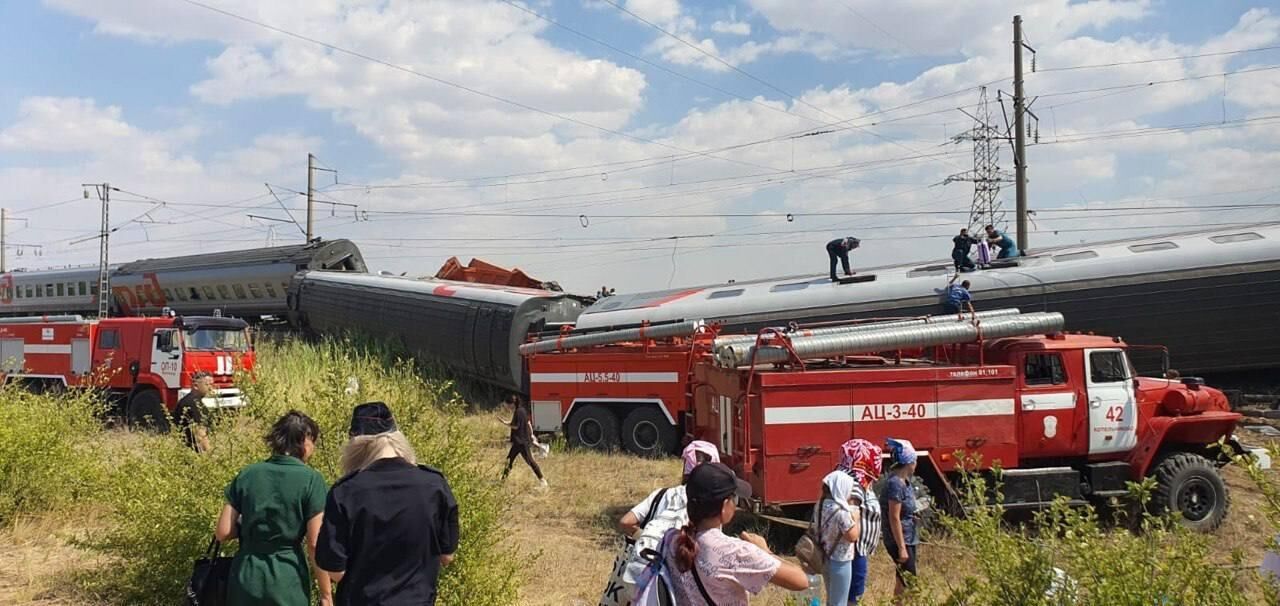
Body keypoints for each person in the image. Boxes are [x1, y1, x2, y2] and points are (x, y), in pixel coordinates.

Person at [317, 402, 459, 606]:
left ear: (355, 443)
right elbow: (447, 556)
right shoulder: (435, 485)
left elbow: (335, 570)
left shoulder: (345, 492)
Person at [216, 411, 331, 606]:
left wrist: (246, 528)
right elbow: (314, 543)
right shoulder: (312, 480)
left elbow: (223, 532)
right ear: (305, 440)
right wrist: (326, 593)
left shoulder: (248, 474)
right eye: (313, 442)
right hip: (287, 578)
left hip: (246, 575)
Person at [662, 462, 809, 605]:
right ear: (725, 506)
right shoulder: (735, 552)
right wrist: (765, 551)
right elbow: (801, 581)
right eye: (735, 498)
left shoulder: (671, 540)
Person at [608, 441, 720, 604]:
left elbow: (626, 522)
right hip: (680, 582)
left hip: (641, 572)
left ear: (685, 467)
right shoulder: (710, 506)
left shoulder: (662, 494)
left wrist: (648, 536)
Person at [835, 439, 883, 606]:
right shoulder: (854, 484)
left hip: (855, 550)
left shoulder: (851, 481)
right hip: (851, 552)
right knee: (849, 599)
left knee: (848, 597)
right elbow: (849, 523)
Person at [880, 438, 921, 604]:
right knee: (911, 581)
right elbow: (893, 517)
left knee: (901, 578)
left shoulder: (905, 482)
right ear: (909, 462)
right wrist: (901, 548)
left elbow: (903, 510)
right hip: (900, 539)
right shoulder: (895, 484)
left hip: (909, 535)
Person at [815, 470, 860, 606]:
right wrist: (856, 519)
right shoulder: (841, 513)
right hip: (840, 561)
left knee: (831, 598)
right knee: (839, 601)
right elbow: (853, 536)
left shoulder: (820, 506)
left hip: (824, 557)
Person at [502, 394, 547, 487]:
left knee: (530, 461)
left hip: (521, 442)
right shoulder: (523, 411)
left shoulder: (517, 412)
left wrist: (505, 423)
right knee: (509, 460)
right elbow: (528, 423)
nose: (507, 407)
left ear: (512, 404)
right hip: (520, 442)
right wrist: (531, 434)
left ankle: (543, 481)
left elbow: (516, 426)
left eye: (507, 404)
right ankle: (502, 481)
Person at [173, 371, 214, 452]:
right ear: (196, 386)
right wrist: (209, 456)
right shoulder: (192, 403)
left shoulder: (194, 401)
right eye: (207, 385)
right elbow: (200, 433)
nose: (210, 388)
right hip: (193, 452)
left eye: (211, 384)